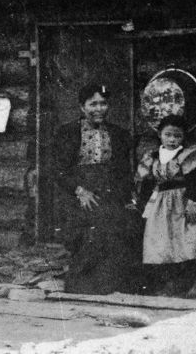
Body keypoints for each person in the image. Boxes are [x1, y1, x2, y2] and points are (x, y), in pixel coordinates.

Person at [52, 82, 141, 294]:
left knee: (120, 228)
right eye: (93, 104)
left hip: (110, 194)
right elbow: (58, 170)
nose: (99, 109)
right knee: (91, 233)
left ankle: (113, 287)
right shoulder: (68, 133)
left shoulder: (118, 134)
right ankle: (83, 287)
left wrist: (128, 198)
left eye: (103, 103)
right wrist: (80, 191)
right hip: (78, 196)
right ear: (82, 107)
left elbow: (123, 171)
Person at [135, 115, 196, 297]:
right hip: (161, 206)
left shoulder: (187, 155)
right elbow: (148, 184)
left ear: (183, 137)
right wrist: (143, 204)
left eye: (177, 136)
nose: (172, 140)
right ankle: (171, 284)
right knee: (164, 244)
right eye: (168, 135)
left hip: (184, 202)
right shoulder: (152, 157)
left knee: (189, 242)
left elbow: (195, 180)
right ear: (160, 135)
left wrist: (192, 201)